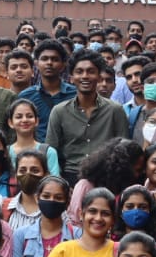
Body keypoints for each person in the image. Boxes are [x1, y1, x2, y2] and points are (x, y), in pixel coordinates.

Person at [45, 50, 129, 182]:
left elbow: (124, 150)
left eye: (91, 71)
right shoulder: (59, 111)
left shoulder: (115, 110)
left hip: (106, 176)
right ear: (71, 78)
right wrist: (60, 183)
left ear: (99, 77)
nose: (85, 76)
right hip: (70, 176)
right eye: (79, 72)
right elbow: (51, 152)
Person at [9, 175, 78, 257]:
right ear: (37, 198)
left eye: (58, 198)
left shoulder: (77, 235)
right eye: (46, 196)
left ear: (67, 202)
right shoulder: (21, 235)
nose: (52, 200)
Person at [66, 138, 143, 226]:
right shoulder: (85, 186)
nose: (137, 175)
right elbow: (74, 221)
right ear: (122, 168)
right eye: (136, 170)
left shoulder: (127, 191)